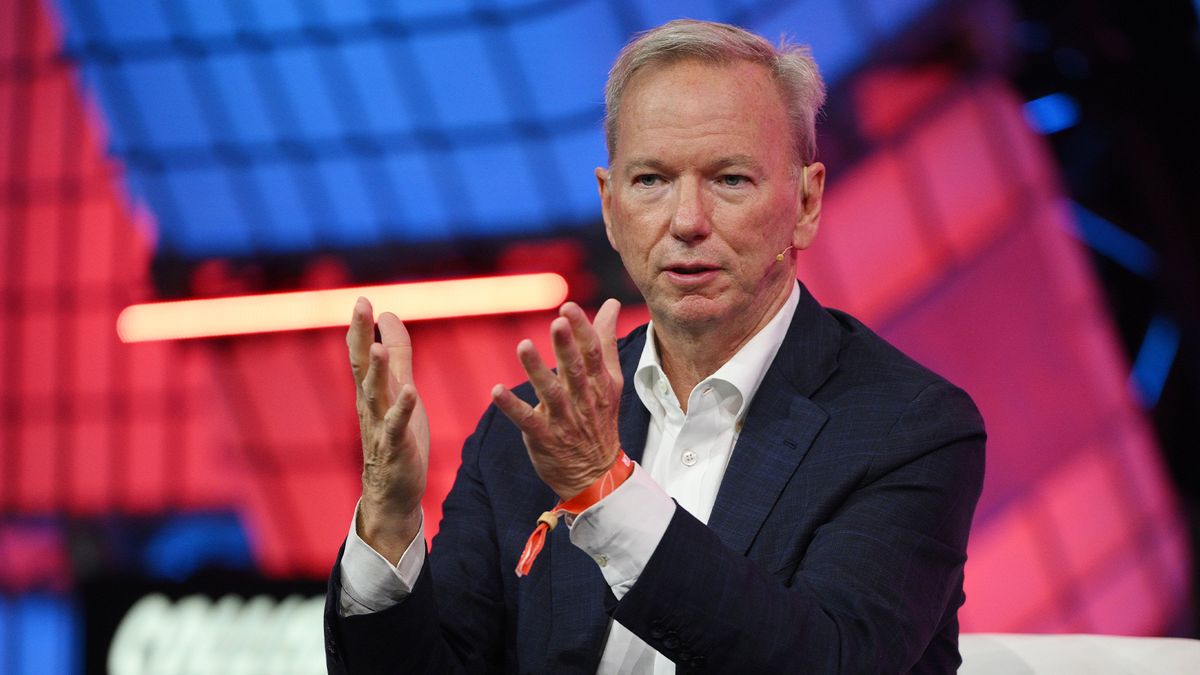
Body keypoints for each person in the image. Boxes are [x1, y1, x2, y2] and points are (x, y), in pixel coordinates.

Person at [323, 19, 985, 675]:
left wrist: (605, 493)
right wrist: (387, 519)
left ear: (807, 200)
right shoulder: (520, 437)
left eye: (730, 179)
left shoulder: (908, 427)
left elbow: (829, 660)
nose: (687, 221)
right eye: (651, 181)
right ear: (609, 207)